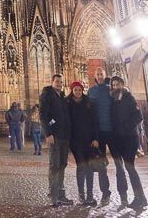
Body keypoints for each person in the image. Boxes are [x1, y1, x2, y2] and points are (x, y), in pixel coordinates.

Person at [89, 67, 127, 206]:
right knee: (101, 166)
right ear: (95, 76)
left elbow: (121, 105)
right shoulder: (91, 91)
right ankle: (105, 194)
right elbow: (89, 112)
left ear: (105, 75)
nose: (99, 76)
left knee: (119, 164)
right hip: (99, 133)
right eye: (97, 74)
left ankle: (123, 194)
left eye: (101, 74)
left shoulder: (110, 89)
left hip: (113, 132)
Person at [110, 76, 148, 209]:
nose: (115, 87)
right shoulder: (113, 100)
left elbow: (139, 117)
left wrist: (126, 127)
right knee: (124, 168)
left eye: (117, 84)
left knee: (130, 168)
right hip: (118, 139)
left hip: (129, 138)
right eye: (113, 85)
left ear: (122, 84)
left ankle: (140, 198)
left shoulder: (129, 98)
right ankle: (134, 198)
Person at [40, 73, 73, 208]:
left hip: (64, 136)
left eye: (61, 82)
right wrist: (49, 133)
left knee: (63, 164)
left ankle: (61, 194)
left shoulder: (62, 97)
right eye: (57, 81)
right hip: (55, 136)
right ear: (52, 82)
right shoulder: (47, 95)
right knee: (54, 165)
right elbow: (44, 115)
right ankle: (54, 196)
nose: (59, 84)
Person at [67, 81, 100, 206]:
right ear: (72, 91)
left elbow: (95, 122)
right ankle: (81, 195)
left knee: (89, 167)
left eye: (79, 90)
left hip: (89, 140)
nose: (77, 92)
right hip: (75, 141)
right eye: (75, 90)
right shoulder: (68, 103)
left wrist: (96, 138)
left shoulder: (89, 103)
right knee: (81, 166)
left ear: (82, 90)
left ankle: (90, 195)